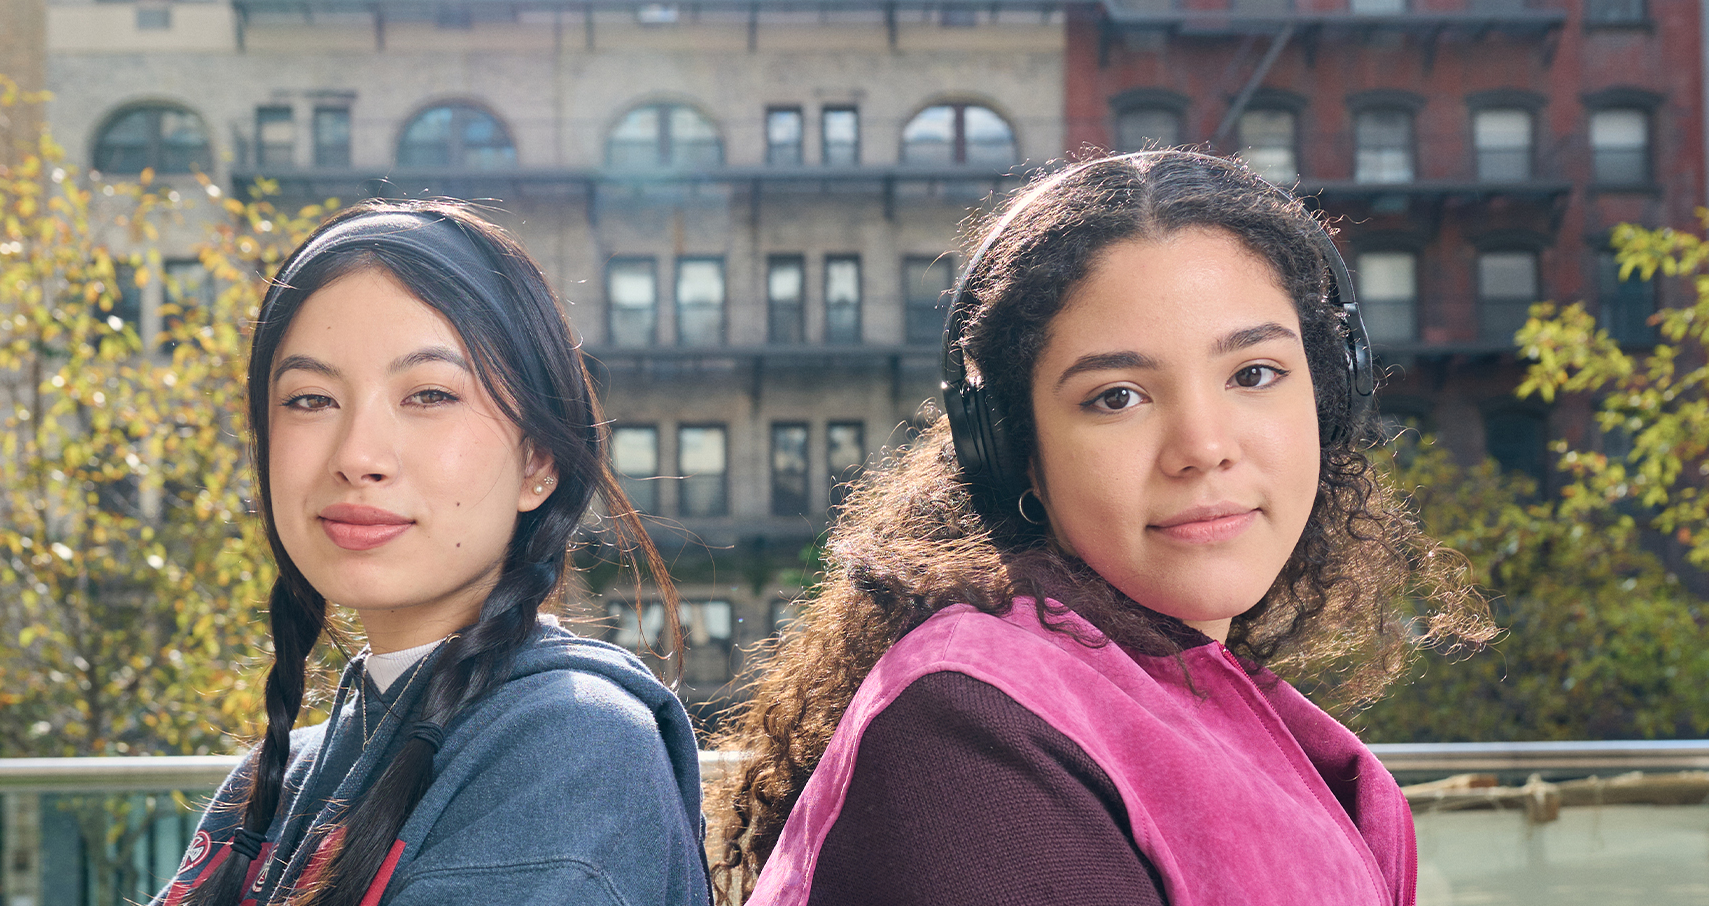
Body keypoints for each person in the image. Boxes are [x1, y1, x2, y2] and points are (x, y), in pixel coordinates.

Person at [709, 150, 1492, 906]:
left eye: (1254, 375)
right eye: (1117, 396)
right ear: (1020, 454)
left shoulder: (1205, 698)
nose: (1204, 448)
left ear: (1328, 403)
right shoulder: (969, 733)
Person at [156, 200, 712, 906]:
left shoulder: (570, 749)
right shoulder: (277, 779)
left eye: (427, 394)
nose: (357, 456)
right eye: (309, 400)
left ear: (539, 459)